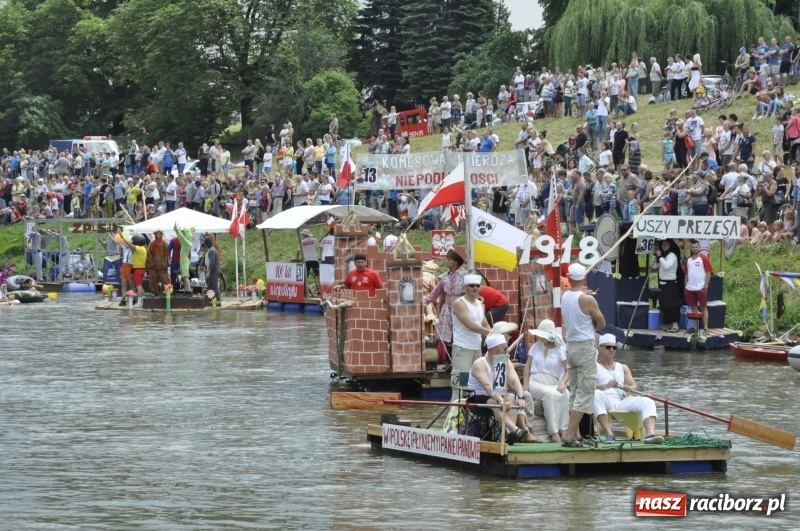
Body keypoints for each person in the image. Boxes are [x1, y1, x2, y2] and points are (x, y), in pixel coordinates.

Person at [561, 263, 606, 448]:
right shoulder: (588, 300)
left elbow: (576, 296)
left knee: (575, 392)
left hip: (571, 346)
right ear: (584, 279)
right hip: (585, 347)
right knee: (585, 393)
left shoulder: (565, 296)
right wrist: (593, 323)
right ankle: (570, 435)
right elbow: (602, 323)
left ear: (569, 279)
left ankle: (576, 434)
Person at [467, 334, 541, 443]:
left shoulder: (504, 361)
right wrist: (501, 400)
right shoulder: (479, 363)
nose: (508, 351)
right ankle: (515, 430)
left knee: (511, 398)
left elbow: (515, 381)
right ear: (494, 350)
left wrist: (520, 396)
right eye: (505, 349)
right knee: (495, 401)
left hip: (496, 395)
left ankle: (509, 434)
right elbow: (488, 386)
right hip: (477, 397)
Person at [594, 333, 664, 444]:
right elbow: (587, 387)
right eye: (608, 347)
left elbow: (634, 385)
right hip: (605, 400)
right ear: (600, 348)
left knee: (648, 401)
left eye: (614, 347)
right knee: (596, 394)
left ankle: (650, 434)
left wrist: (629, 388)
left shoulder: (623, 367)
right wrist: (605, 386)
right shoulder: (594, 366)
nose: (611, 350)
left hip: (622, 401)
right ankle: (609, 434)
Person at [522, 320, 569, 443]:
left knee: (566, 394)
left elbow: (568, 370)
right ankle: (554, 432)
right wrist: (525, 385)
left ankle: (564, 430)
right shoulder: (536, 346)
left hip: (553, 382)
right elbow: (527, 366)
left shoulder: (560, 349)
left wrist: (562, 383)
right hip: (535, 381)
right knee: (550, 394)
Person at [449, 273, 492, 402]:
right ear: (465, 287)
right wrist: (492, 333)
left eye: (477, 286)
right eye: (471, 285)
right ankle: (455, 418)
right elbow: (471, 326)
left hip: (476, 348)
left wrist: (494, 334)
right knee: (460, 386)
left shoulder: (479, 303)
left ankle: (474, 418)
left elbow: (484, 323)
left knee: (476, 383)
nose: (475, 288)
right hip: (462, 349)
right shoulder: (459, 303)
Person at [423, 249, 466, 354]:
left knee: (461, 332)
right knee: (448, 336)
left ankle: (460, 358)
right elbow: (435, 293)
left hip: (462, 308)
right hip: (447, 309)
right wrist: (423, 302)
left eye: (449, 260)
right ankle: (449, 360)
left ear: (455, 262)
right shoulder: (445, 277)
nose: (446, 262)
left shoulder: (466, 275)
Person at [653, 239, 683, 332]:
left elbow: (667, 266)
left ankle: (675, 325)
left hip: (670, 283)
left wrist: (660, 256)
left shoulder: (672, 255)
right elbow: (654, 267)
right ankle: (670, 323)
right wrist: (656, 256)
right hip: (662, 282)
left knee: (672, 304)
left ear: (670, 245)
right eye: (663, 244)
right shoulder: (664, 255)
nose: (664, 246)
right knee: (666, 304)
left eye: (666, 244)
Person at [684, 239, 713, 336]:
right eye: (693, 247)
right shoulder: (688, 259)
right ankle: (695, 327)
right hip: (690, 287)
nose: (695, 249)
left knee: (703, 307)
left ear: (699, 247)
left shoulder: (704, 258)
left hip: (701, 287)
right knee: (693, 307)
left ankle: (705, 328)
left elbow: (709, 272)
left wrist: (706, 285)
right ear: (691, 248)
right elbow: (686, 274)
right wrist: (685, 286)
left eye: (696, 247)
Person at [145, 230, 169, 296]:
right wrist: (151, 263)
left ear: (161, 235)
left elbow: (166, 254)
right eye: (157, 234)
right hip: (154, 265)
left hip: (162, 265)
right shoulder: (152, 243)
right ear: (155, 235)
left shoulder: (164, 243)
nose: (158, 235)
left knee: (165, 279)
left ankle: (167, 291)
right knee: (153, 279)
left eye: (159, 234)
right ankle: (154, 291)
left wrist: (165, 263)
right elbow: (149, 254)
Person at [204, 237, 221, 301]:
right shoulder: (213, 249)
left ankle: (218, 301)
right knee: (211, 286)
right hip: (214, 270)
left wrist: (208, 271)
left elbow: (212, 262)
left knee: (214, 286)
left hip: (214, 271)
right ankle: (212, 300)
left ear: (206, 244)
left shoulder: (211, 250)